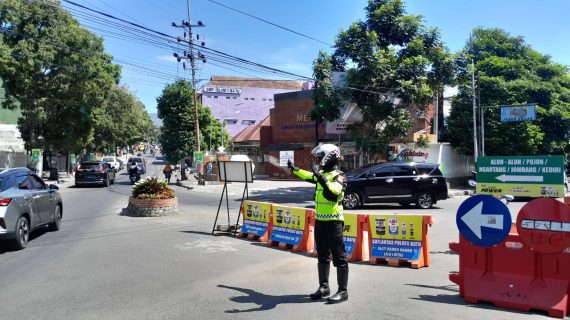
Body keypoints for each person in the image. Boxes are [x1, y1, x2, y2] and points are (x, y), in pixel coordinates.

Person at [287, 144, 349, 304]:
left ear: (329, 157)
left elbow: (334, 192)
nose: (319, 160)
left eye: (321, 157)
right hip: (320, 220)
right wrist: (295, 169)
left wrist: (320, 177)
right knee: (322, 255)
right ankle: (324, 287)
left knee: (339, 257)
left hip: (334, 222)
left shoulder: (339, 176)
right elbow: (309, 176)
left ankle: (343, 291)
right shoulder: (322, 173)